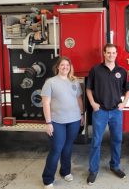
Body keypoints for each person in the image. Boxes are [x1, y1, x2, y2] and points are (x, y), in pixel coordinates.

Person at [86, 43, 129, 185]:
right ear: (104, 54)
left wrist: (123, 104)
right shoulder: (95, 70)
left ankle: (115, 166)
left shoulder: (122, 71)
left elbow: (128, 90)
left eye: (113, 53)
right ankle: (93, 170)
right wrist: (93, 103)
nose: (111, 55)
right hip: (100, 112)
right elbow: (88, 89)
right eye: (108, 52)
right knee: (96, 142)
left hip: (116, 112)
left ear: (117, 54)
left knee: (117, 140)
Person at [41, 56, 84, 189]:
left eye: (67, 65)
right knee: (56, 149)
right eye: (62, 65)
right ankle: (48, 178)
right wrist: (48, 123)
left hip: (74, 120)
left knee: (68, 147)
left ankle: (65, 171)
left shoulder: (74, 81)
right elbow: (46, 103)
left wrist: (82, 114)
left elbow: (79, 99)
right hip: (57, 121)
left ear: (70, 67)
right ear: (58, 67)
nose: (65, 67)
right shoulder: (50, 82)